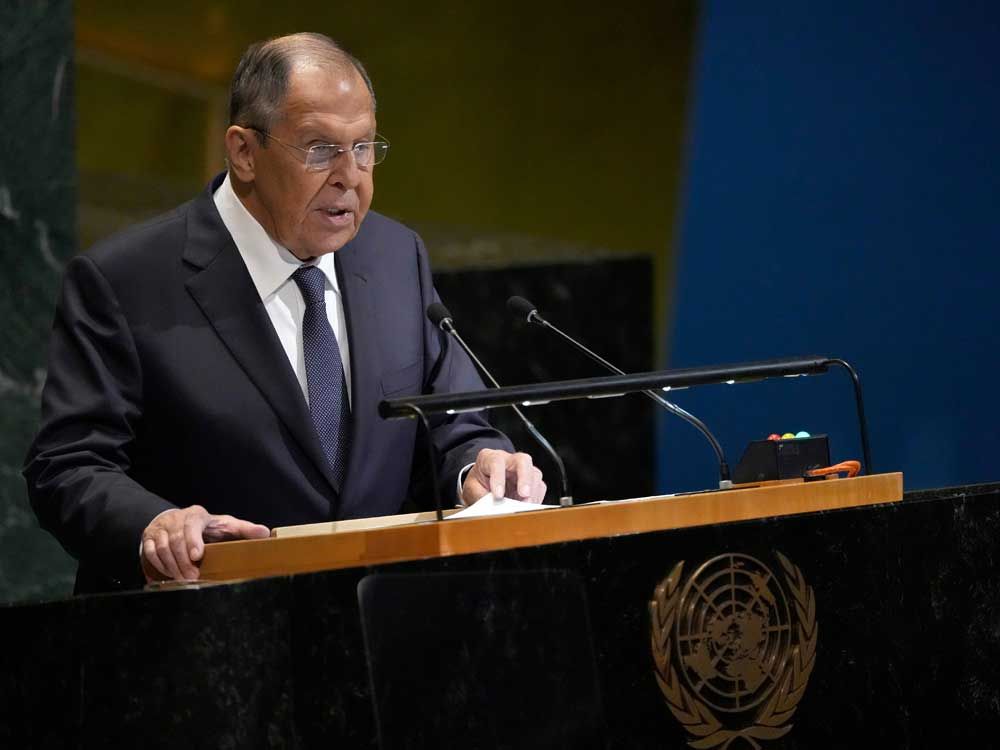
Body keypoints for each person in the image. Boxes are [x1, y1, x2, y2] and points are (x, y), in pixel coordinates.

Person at [23, 33, 545, 594]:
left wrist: (480, 466)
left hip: (376, 632)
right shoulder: (126, 280)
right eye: (320, 149)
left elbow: (450, 425)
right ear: (244, 152)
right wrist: (153, 525)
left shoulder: (396, 258)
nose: (351, 176)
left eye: (365, 147)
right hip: (200, 634)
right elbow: (68, 465)